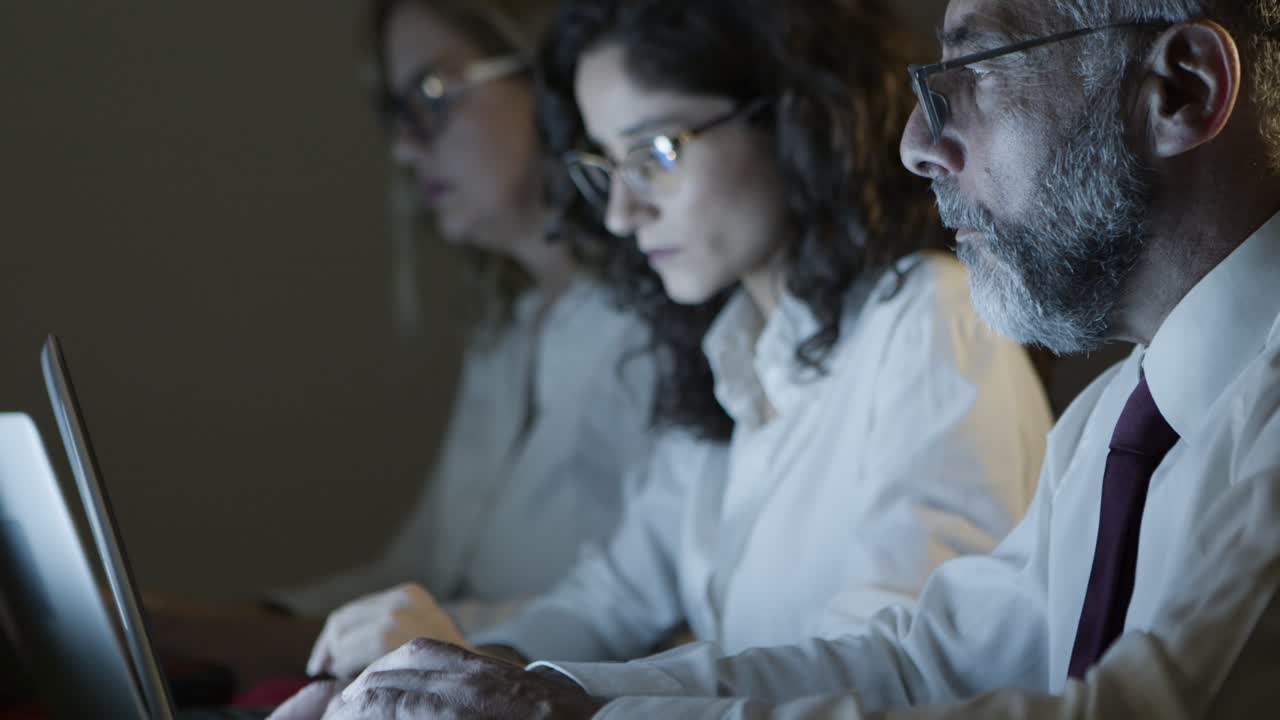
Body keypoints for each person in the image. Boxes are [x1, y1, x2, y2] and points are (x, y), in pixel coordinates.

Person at [276, 0, 1280, 716]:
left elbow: (1133, 710)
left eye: (975, 71)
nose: (916, 144)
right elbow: (925, 658)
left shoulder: (942, 331)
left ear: (1180, 87)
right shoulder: (1111, 423)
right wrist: (526, 690)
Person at [146, 0, 661, 686]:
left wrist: (222, 636)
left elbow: (625, 617)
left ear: (552, 76)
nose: (404, 147)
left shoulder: (662, 334)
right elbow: (418, 575)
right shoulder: (508, 335)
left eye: (435, 95)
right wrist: (204, 620)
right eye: (398, 112)